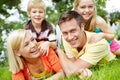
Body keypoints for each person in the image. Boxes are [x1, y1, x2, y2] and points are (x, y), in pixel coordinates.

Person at [57, 11, 116, 77]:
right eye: (65, 33)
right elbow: (71, 63)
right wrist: (76, 68)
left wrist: (59, 50)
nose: (69, 37)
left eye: (73, 31)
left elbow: (71, 72)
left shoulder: (99, 43)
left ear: (82, 27)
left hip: (107, 63)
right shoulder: (66, 40)